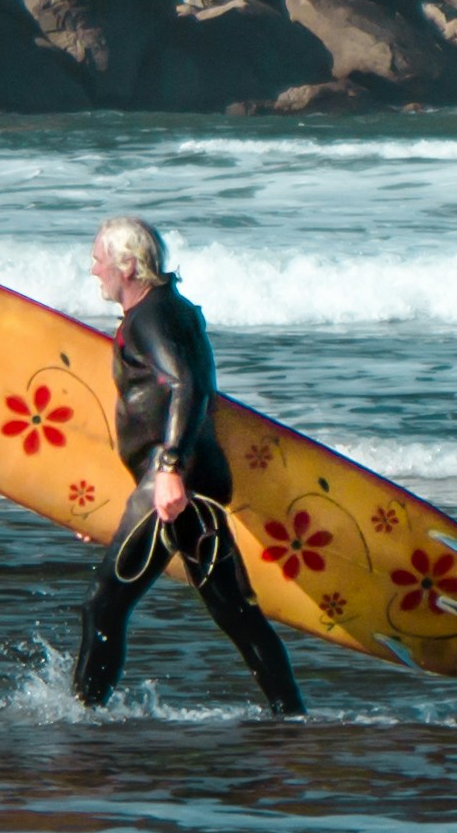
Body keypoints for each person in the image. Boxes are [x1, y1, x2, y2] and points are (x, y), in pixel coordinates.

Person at [71, 214, 304, 717]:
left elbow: (185, 385)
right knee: (235, 614)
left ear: (128, 267)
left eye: (99, 259)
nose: (93, 270)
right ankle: (292, 717)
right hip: (182, 483)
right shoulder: (166, 310)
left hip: (174, 482)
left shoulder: (151, 317)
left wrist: (170, 469)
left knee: (103, 605)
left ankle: (82, 720)